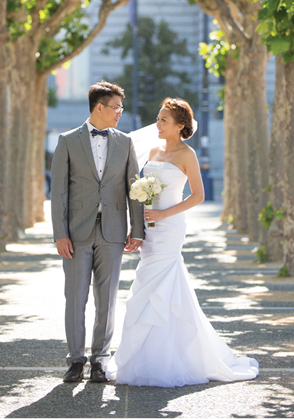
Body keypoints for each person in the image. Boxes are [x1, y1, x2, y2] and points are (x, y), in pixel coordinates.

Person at [107, 97, 259, 387]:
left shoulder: (187, 154)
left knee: (162, 285)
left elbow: (198, 196)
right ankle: (144, 356)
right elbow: (138, 190)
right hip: (150, 229)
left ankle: (174, 359)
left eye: (164, 120)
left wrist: (164, 212)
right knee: (146, 287)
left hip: (170, 227)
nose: (158, 124)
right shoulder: (152, 149)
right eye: (159, 118)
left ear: (180, 125)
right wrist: (137, 225)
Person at [51, 81, 144, 383]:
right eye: (116, 107)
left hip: (114, 232)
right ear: (99, 107)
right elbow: (59, 192)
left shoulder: (125, 141)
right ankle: (75, 360)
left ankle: (100, 360)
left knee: (107, 299)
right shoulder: (67, 141)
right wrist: (59, 233)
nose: (120, 112)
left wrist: (138, 229)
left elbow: (134, 189)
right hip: (76, 233)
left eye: (121, 107)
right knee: (75, 299)